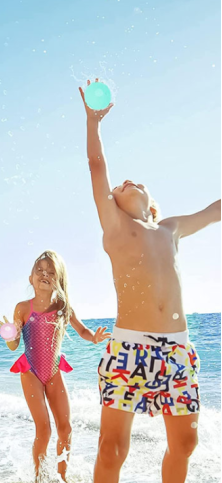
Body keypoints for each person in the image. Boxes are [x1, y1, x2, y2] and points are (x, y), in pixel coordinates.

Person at [79, 79, 221, 483]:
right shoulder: (115, 227)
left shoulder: (170, 228)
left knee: (185, 444)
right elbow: (97, 167)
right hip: (129, 347)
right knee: (112, 447)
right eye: (120, 186)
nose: (125, 182)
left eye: (134, 182)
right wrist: (93, 124)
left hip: (178, 348)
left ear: (151, 202)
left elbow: (214, 211)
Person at [0, 250, 110, 482]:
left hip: (54, 371)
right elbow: (14, 345)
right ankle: (40, 477)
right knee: (44, 429)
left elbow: (82, 330)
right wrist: (10, 335)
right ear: (30, 278)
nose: (44, 274)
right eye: (39, 270)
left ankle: (62, 476)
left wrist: (94, 338)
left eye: (51, 272)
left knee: (65, 428)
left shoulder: (62, 306)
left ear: (59, 280)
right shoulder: (22, 308)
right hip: (31, 372)